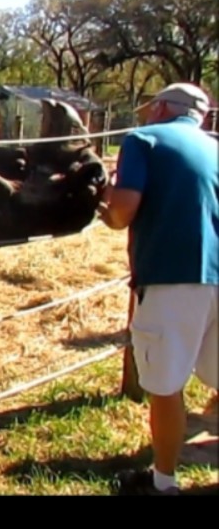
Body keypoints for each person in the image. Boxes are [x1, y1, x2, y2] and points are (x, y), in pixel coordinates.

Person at [97, 81, 218, 495]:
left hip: (173, 276)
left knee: (165, 387)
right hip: (216, 274)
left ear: (164, 108)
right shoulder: (215, 147)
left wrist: (103, 207)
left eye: (152, 107)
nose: (148, 113)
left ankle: (162, 483)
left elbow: (123, 212)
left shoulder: (142, 140)